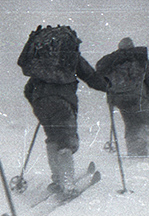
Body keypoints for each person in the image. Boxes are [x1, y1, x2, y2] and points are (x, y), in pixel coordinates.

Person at [18, 25, 106, 197]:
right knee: (65, 141)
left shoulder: (41, 62)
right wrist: (108, 86)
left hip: (40, 103)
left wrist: (39, 102)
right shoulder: (70, 57)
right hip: (63, 103)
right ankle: (67, 185)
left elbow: (28, 90)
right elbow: (90, 76)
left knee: (52, 140)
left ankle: (57, 180)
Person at [96, 37, 149, 157]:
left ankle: (132, 151)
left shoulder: (113, 61)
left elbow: (101, 76)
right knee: (143, 122)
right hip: (137, 97)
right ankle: (141, 150)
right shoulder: (140, 59)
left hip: (119, 99)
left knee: (130, 124)